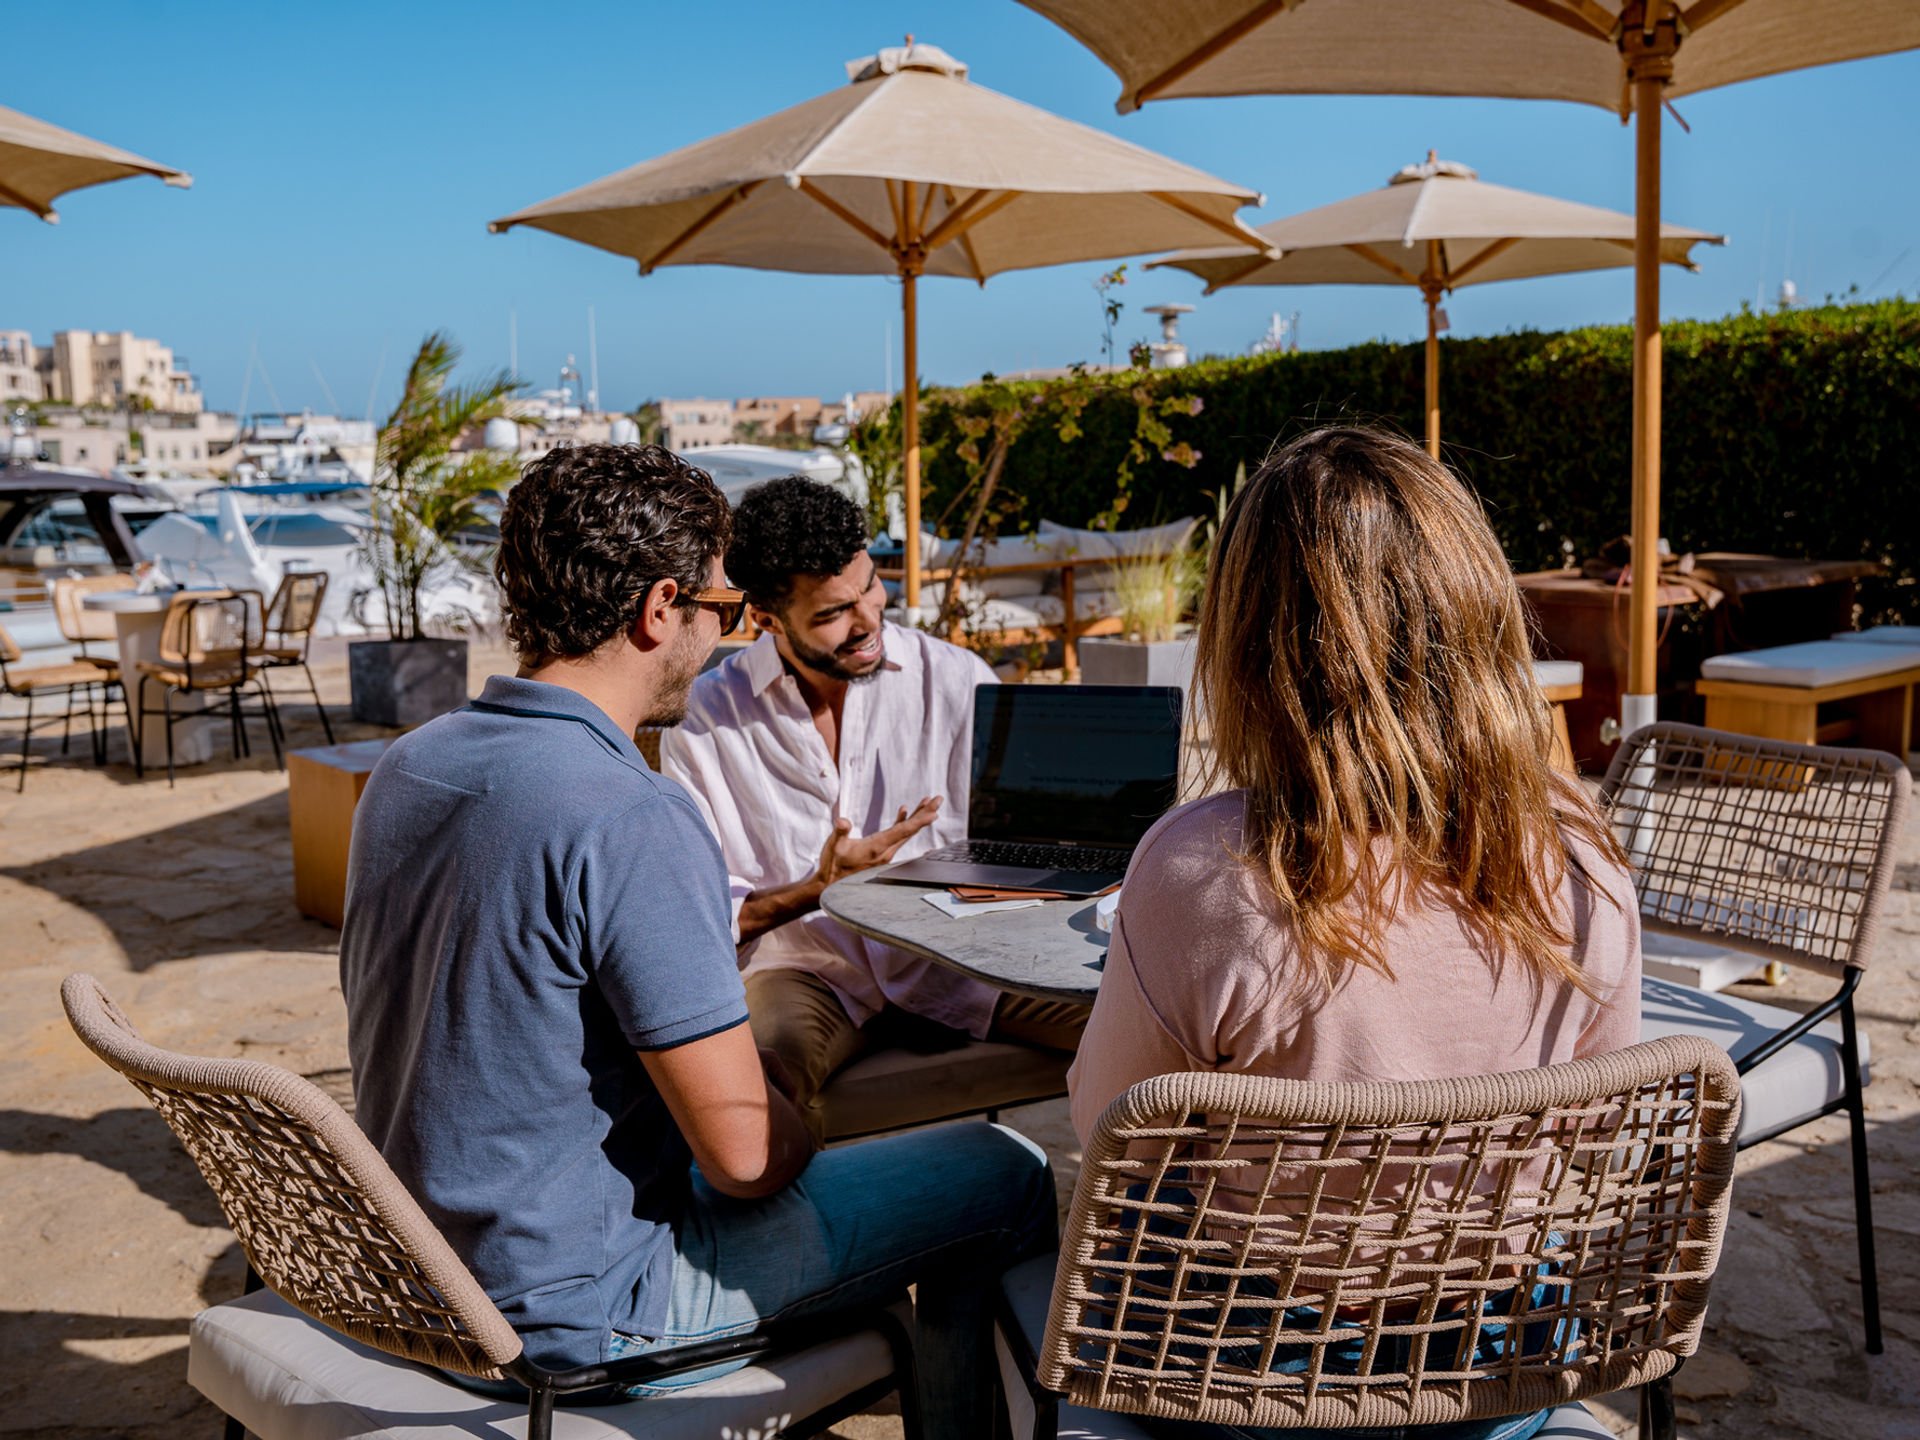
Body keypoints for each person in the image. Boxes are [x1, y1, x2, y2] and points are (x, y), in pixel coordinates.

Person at [338, 443, 1053, 1436]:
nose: (725, 639)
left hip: (414, 1277)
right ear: (657, 608)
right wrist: (791, 1114)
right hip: (580, 1311)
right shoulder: (632, 814)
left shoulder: (408, 770)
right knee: (1005, 1175)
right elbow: (746, 1158)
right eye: (723, 610)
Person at [1068, 426, 1642, 1440]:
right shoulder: (1583, 851)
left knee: (1027, 1239)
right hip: (1496, 1370)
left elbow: (1113, 1146)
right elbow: (1593, 1133)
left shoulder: (1204, 868)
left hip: (1250, 1383)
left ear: (1250, 639)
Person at [661, 476, 1087, 1138]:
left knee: (1153, 1019)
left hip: (960, 963)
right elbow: (706, 917)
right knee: (757, 1090)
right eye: (833, 613)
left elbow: (1011, 856)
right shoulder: (705, 722)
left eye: (869, 587)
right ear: (767, 621)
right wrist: (818, 890)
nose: (868, 622)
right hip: (807, 968)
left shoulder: (956, 680)